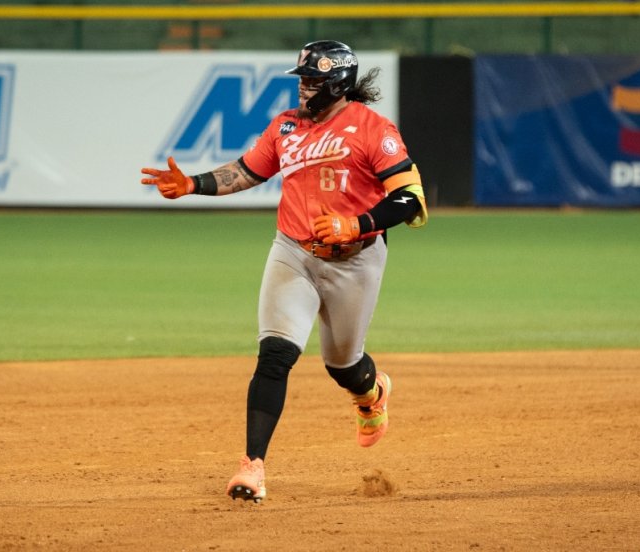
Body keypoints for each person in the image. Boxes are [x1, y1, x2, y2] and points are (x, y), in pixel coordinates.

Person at [141, 40, 427, 504]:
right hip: (293, 251)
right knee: (275, 354)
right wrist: (192, 184)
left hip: (355, 259)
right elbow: (247, 171)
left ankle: (371, 394)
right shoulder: (286, 126)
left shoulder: (373, 129)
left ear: (337, 83)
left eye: (312, 80)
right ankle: (252, 467)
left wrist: (356, 223)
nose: (303, 88)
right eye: (302, 79)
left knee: (343, 365)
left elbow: (410, 198)